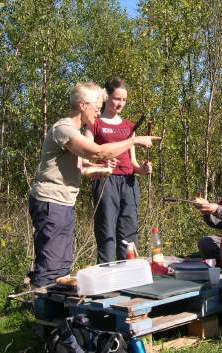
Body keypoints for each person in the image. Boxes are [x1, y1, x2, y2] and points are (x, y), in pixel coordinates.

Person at [27, 82, 160, 288]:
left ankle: (58, 311)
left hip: (63, 202)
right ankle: (43, 311)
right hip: (50, 201)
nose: (98, 113)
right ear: (82, 105)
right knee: (51, 263)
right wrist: (133, 141)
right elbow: (98, 152)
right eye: (96, 108)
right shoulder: (64, 129)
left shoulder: (74, 131)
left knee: (63, 262)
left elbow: (82, 165)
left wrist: (99, 167)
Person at [84, 78, 152, 264]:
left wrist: (143, 170)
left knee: (129, 231)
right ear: (107, 98)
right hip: (105, 181)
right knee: (106, 231)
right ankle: (107, 277)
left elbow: (133, 163)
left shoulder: (130, 126)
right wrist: (101, 161)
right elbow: (83, 154)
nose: (120, 103)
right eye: (116, 99)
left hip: (129, 183)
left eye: (124, 100)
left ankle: (130, 273)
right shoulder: (94, 123)